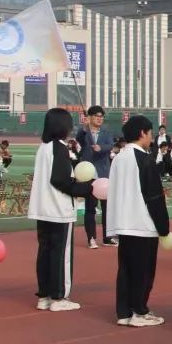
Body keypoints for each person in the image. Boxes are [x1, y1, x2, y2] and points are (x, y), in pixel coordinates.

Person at [28, 108, 95, 312]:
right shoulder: (58, 147)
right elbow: (60, 180)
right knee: (60, 254)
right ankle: (59, 297)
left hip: (43, 208)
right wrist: (86, 188)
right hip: (58, 209)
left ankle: (45, 295)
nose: (71, 127)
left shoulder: (44, 147)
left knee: (45, 252)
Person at [107, 115, 170, 327]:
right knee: (143, 272)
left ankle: (124, 311)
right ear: (143, 133)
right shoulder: (144, 158)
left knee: (126, 270)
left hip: (123, 223)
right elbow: (154, 196)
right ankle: (139, 311)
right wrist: (163, 227)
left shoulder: (118, 158)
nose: (151, 137)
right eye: (150, 133)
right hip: (142, 223)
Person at [76, 105, 116, 248]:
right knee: (90, 207)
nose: (100, 119)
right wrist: (84, 127)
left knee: (107, 208)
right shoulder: (84, 132)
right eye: (96, 116)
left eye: (101, 116)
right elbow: (79, 139)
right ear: (90, 117)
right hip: (89, 175)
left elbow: (110, 145)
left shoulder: (106, 132)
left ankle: (107, 237)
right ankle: (91, 238)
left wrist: (101, 148)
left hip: (104, 175)